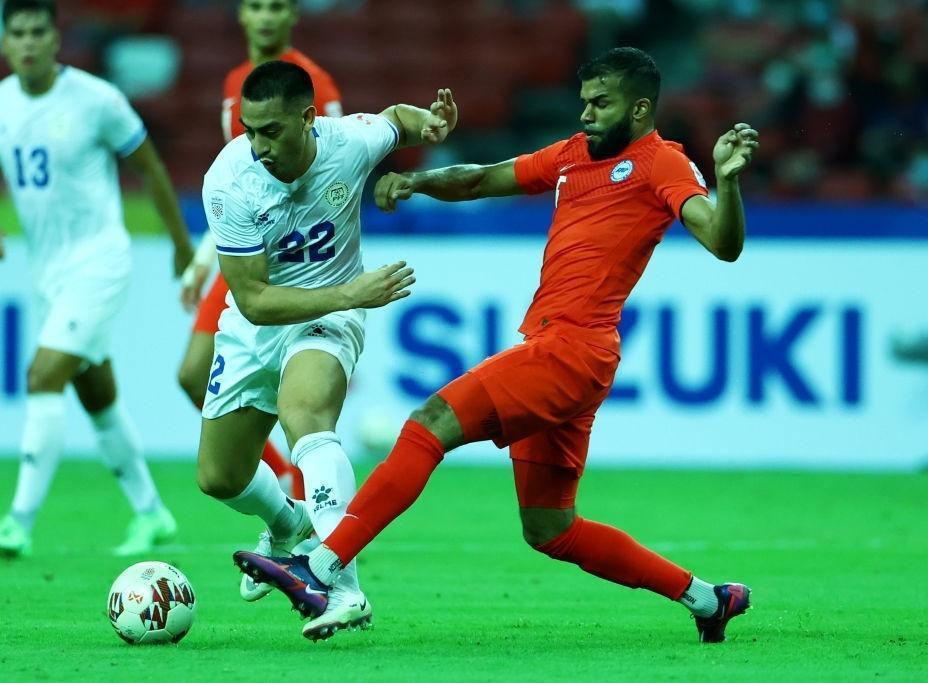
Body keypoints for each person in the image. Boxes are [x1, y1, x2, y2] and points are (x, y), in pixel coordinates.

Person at [236, 47, 759, 644]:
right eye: (583, 101)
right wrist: (418, 180)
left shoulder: (662, 162)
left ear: (641, 108)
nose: (586, 114)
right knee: (551, 529)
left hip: (571, 351)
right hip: (568, 356)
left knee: (429, 422)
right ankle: (707, 599)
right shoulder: (572, 155)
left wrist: (726, 181)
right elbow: (486, 177)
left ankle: (319, 566)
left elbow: (723, 242)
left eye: (601, 103)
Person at [198, 60, 457, 640]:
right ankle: (289, 526)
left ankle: (342, 588)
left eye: (272, 130)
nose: (258, 145)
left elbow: (396, 120)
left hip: (330, 319)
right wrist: (352, 289)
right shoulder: (229, 181)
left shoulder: (347, 143)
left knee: (304, 415)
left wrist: (430, 125)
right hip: (254, 325)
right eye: (249, 129)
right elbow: (256, 299)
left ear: (308, 119)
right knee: (219, 476)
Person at [0, 0, 195, 558]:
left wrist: (181, 244)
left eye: (36, 32)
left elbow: (150, 167)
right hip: (48, 271)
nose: (26, 42)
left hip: (100, 260)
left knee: (43, 375)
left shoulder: (96, 99)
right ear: (3, 44)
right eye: (16, 33)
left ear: (54, 39)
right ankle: (151, 513)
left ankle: (18, 522)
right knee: (96, 393)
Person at [177, 0, 344, 501]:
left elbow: (331, 169)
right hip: (246, 253)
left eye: (276, 6)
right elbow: (241, 185)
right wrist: (205, 257)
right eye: (255, 6)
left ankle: (298, 485)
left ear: (293, 15)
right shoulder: (235, 84)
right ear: (241, 16)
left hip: (294, 257)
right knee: (192, 375)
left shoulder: (316, 83)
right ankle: (280, 477)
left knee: (295, 392)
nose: (266, 17)